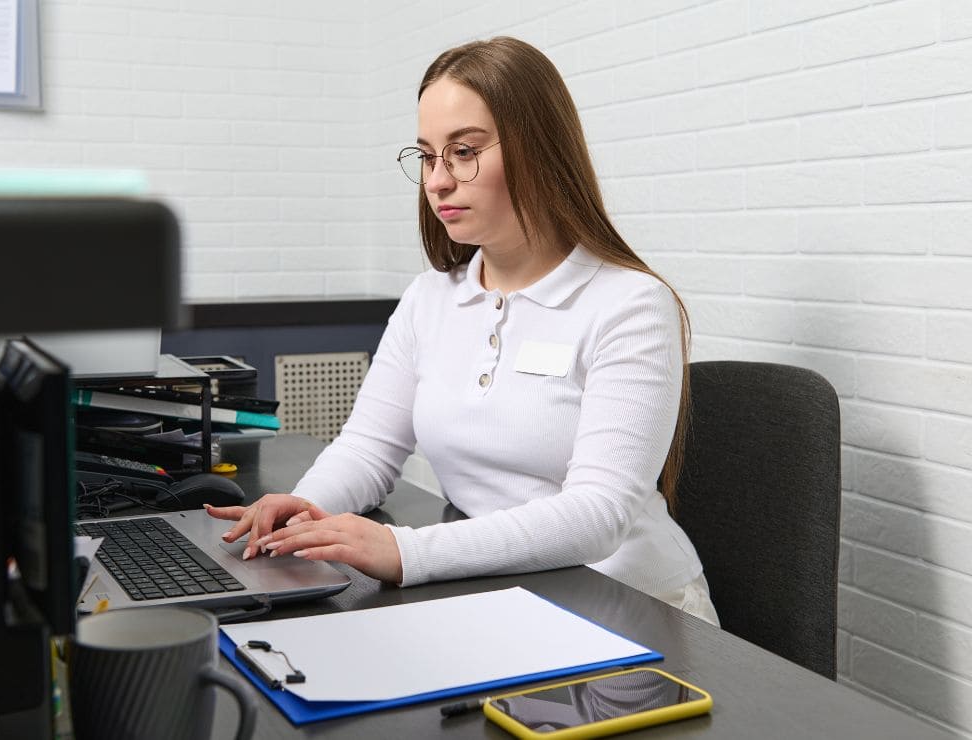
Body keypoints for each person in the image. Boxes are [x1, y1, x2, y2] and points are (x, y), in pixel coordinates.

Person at [207, 36, 719, 625]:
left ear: (539, 151)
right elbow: (370, 447)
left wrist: (405, 551)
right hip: (510, 593)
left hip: (631, 603)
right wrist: (306, 510)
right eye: (426, 157)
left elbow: (599, 515)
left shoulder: (629, 304)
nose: (438, 182)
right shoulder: (431, 298)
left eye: (464, 152)